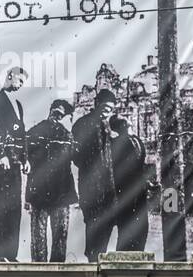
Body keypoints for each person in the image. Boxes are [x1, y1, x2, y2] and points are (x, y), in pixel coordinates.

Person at [0, 66, 28, 261]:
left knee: (14, 208)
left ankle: (11, 254)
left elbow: (22, 134)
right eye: (19, 81)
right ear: (10, 77)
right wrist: (0, 154)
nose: (20, 85)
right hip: (1, 164)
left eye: (23, 83)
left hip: (16, 163)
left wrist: (26, 159)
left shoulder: (18, 104)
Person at [26, 99, 77, 262]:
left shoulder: (67, 134)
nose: (58, 117)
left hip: (61, 192)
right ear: (50, 110)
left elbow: (74, 158)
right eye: (56, 113)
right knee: (39, 237)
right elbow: (25, 158)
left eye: (61, 115)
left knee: (60, 236)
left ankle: (56, 274)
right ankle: (39, 275)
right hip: (40, 191)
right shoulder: (34, 132)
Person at [72, 88, 118, 261]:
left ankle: (99, 257)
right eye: (105, 108)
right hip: (90, 183)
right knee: (93, 220)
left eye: (110, 109)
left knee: (106, 220)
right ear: (97, 104)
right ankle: (93, 259)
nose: (108, 112)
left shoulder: (106, 125)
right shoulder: (82, 124)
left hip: (108, 182)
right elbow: (74, 154)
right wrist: (90, 165)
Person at [110, 114, 154, 251]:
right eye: (124, 119)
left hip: (139, 190)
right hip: (124, 191)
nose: (128, 121)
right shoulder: (114, 143)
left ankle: (139, 254)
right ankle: (123, 258)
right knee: (125, 228)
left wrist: (147, 183)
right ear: (121, 125)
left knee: (142, 226)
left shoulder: (137, 140)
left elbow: (140, 167)